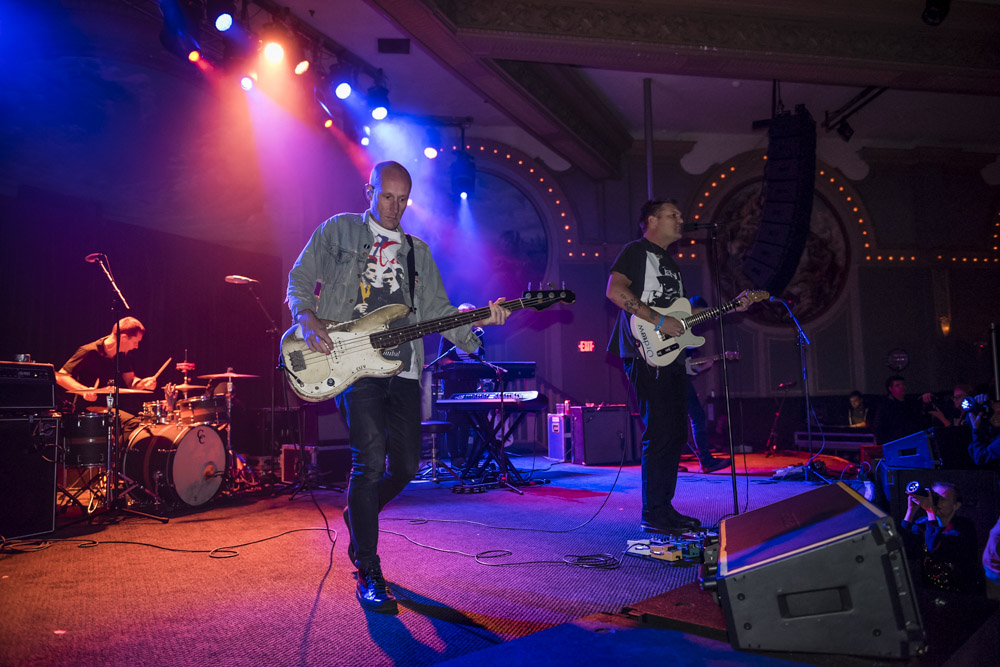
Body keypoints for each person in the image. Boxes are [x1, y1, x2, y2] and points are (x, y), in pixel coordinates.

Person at [286, 161, 509, 614]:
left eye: (403, 199)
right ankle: (368, 568)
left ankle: (359, 511)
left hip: (404, 366)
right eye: (387, 196)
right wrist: (305, 315)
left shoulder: (417, 252)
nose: (394, 207)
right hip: (352, 361)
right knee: (368, 463)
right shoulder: (340, 231)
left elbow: (436, 312)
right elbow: (300, 278)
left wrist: (477, 324)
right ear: (369, 190)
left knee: (405, 466)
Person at [606, 198, 750, 534]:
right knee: (659, 433)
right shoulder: (637, 250)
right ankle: (652, 512)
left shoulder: (671, 262)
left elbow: (681, 321)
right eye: (675, 214)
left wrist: (730, 308)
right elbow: (615, 290)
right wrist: (657, 319)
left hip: (670, 355)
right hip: (644, 352)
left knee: (674, 432)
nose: (682, 219)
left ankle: (662, 508)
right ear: (652, 220)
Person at [56, 316, 158, 410]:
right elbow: (60, 376)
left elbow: (131, 382)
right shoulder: (89, 351)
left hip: (110, 408)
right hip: (87, 410)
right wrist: (85, 391)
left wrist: (142, 383)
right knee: (131, 424)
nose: (137, 347)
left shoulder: (122, 355)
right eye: (135, 342)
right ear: (123, 338)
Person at [900, 481, 983, 594]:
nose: (935, 502)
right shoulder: (924, 524)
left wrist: (930, 511)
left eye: (942, 499)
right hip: (931, 593)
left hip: (960, 595)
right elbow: (902, 549)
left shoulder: (964, 528)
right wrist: (911, 511)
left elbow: (935, 546)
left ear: (956, 506)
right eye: (934, 497)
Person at [684, 297, 730, 474]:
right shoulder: (681, 330)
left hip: (678, 379)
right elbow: (683, 366)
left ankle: (705, 460)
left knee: (694, 418)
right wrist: (703, 367)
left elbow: (685, 365)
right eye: (700, 314)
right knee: (696, 418)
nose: (702, 319)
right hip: (675, 380)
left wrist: (704, 366)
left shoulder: (686, 332)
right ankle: (706, 461)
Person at [872, 376, 937, 445]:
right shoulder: (885, 406)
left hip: (912, 440)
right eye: (897, 385)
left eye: (903, 384)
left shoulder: (910, 403)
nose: (902, 387)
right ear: (890, 389)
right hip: (894, 442)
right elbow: (878, 427)